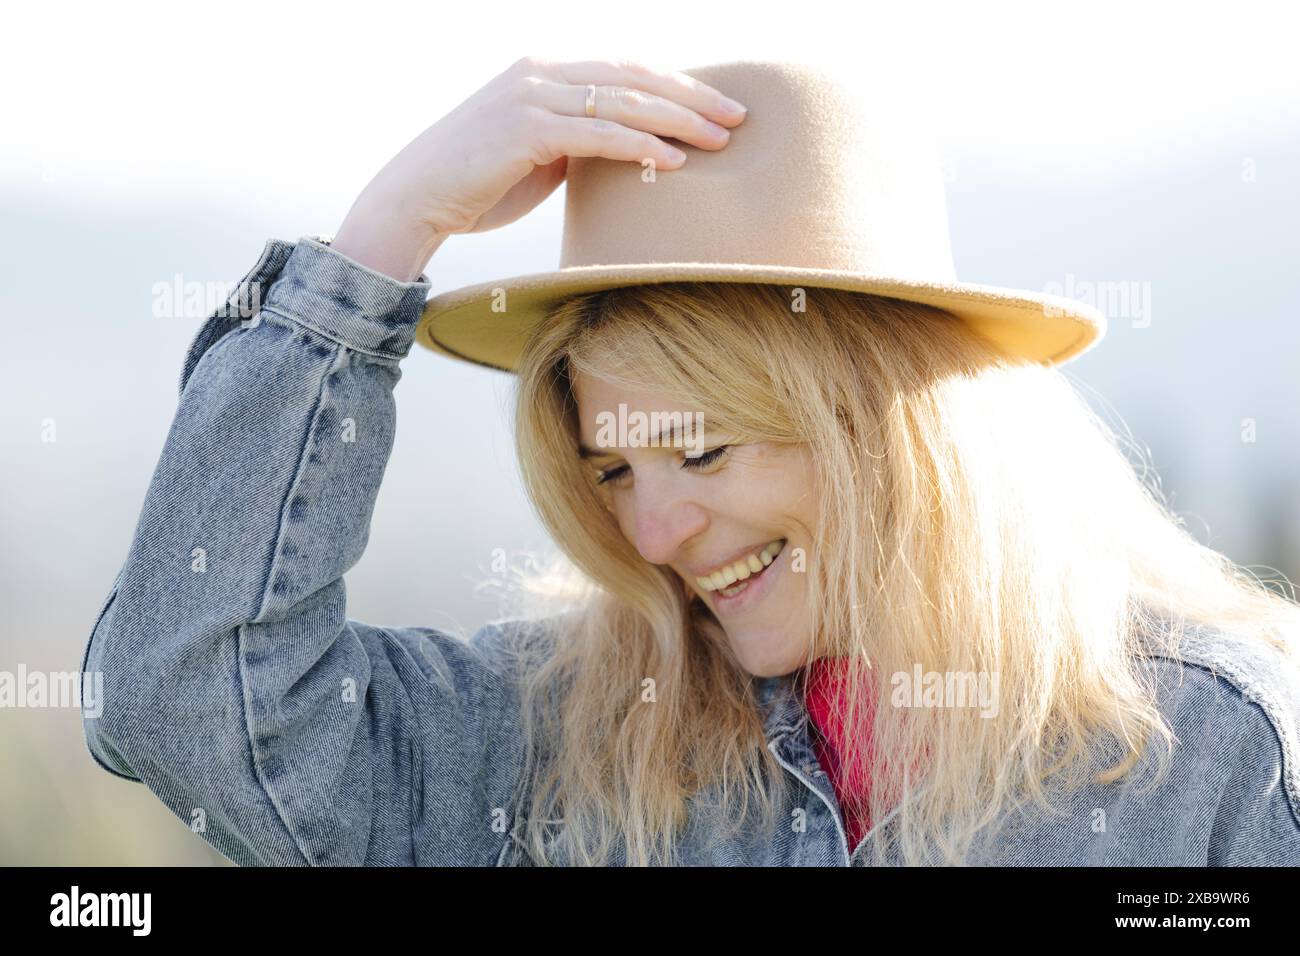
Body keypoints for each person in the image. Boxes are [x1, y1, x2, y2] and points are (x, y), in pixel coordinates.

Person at [80, 56, 1300, 866]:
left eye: (700, 451)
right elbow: (183, 700)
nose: (650, 535)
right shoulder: (557, 732)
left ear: (890, 425)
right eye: (611, 471)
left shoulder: (1210, 752)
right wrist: (382, 237)